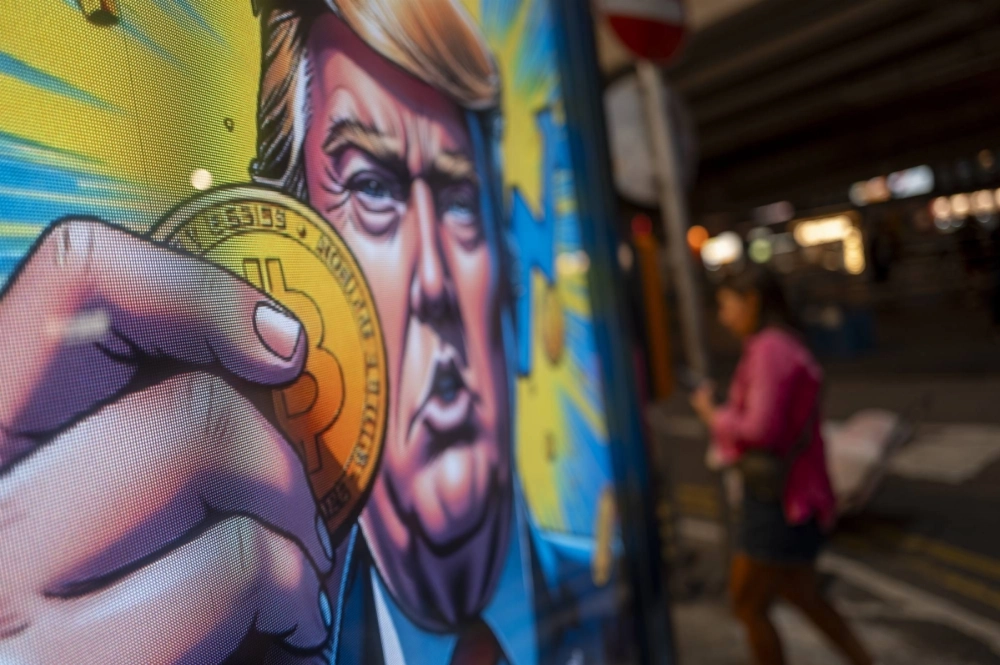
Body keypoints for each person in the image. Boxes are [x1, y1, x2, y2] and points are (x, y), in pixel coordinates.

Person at [0, 1, 616, 663]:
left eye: (460, 199)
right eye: (373, 188)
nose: (435, 282)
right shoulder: (252, 633)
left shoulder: (609, 594)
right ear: (302, 262)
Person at [690, 268, 873, 665]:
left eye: (726, 306)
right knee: (802, 595)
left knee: (747, 603)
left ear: (752, 301)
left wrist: (713, 416)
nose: (723, 317)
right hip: (795, 494)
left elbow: (761, 429)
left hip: (779, 499)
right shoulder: (780, 345)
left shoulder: (770, 348)